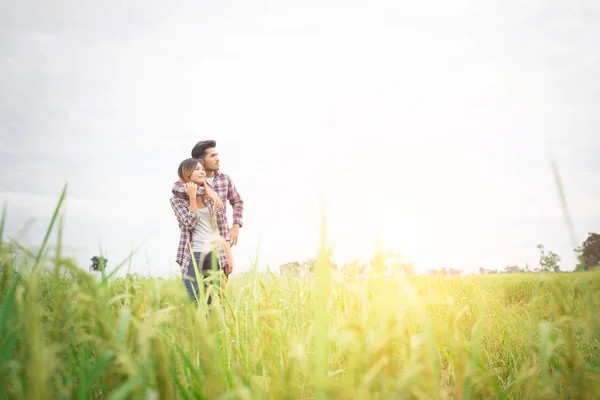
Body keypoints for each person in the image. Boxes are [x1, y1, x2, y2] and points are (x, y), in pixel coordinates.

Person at [172, 140, 244, 275]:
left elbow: (238, 201)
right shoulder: (186, 183)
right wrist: (207, 191)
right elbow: (177, 190)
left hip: (222, 245)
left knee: (217, 292)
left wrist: (236, 226)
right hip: (197, 247)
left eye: (217, 155)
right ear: (201, 160)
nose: (217, 159)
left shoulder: (225, 179)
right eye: (212, 156)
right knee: (197, 291)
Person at [170, 158, 233, 305]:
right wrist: (192, 197)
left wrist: (229, 256)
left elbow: (221, 230)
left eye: (202, 168)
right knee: (191, 299)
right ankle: (189, 329)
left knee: (215, 301)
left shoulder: (210, 197)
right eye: (197, 169)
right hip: (194, 254)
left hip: (214, 253)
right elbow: (190, 224)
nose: (202, 171)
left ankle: (215, 328)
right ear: (186, 173)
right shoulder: (177, 199)